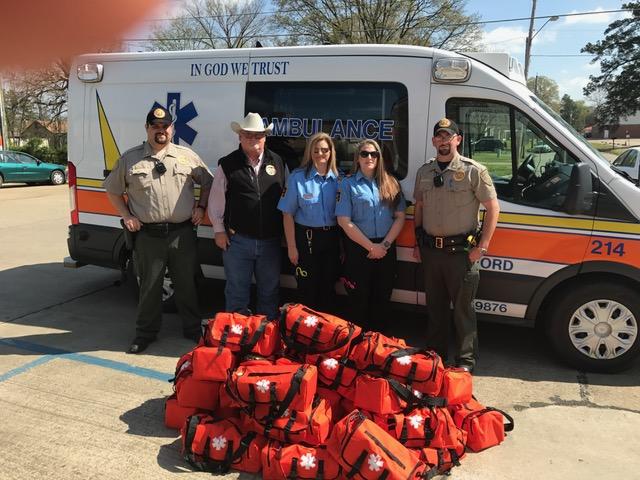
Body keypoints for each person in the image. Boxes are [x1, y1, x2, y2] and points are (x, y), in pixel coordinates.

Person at [104, 106, 213, 354]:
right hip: (148, 235)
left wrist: (201, 207)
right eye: (155, 126)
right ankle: (145, 334)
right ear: (147, 128)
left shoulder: (187, 157)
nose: (160, 131)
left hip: (182, 233)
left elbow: (208, 182)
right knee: (150, 287)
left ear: (172, 129)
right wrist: (126, 215)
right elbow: (112, 189)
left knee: (186, 284)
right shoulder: (130, 159)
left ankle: (192, 330)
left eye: (165, 127)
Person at [413, 118, 500, 373]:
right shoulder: (424, 172)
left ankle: (465, 363)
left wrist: (482, 246)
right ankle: (435, 357)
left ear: (457, 140)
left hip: (461, 254)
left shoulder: (474, 171)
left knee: (463, 312)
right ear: (433, 141)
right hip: (431, 251)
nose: (443, 141)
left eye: (448, 136)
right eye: (439, 137)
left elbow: (493, 208)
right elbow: (419, 207)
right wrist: (418, 242)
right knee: (435, 309)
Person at [207, 112, 285, 320]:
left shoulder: (277, 162)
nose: (253, 139)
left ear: (265, 137)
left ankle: (265, 340)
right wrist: (219, 231)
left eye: (258, 135)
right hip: (238, 241)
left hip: (270, 241)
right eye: (248, 135)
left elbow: (287, 199)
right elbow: (216, 201)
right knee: (236, 293)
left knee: (269, 293)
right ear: (239, 136)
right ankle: (237, 340)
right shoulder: (228, 164)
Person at [336, 139, 406, 331]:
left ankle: (378, 348)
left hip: (385, 248)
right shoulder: (347, 184)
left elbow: (400, 217)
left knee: (382, 300)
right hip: (359, 249)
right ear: (357, 158)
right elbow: (344, 221)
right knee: (358, 301)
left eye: (373, 154)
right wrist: (371, 247)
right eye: (364, 153)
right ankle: (358, 351)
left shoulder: (391, 183)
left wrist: (383, 246)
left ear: (380, 158)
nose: (369, 157)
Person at [278, 132, 340, 312]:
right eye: (316, 150)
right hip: (306, 240)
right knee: (307, 290)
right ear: (309, 152)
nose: (320, 154)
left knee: (328, 289)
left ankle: (325, 335)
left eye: (325, 150)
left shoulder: (339, 179)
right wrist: (291, 247)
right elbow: (287, 214)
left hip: (331, 240)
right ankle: (305, 334)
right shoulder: (298, 178)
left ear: (331, 152)